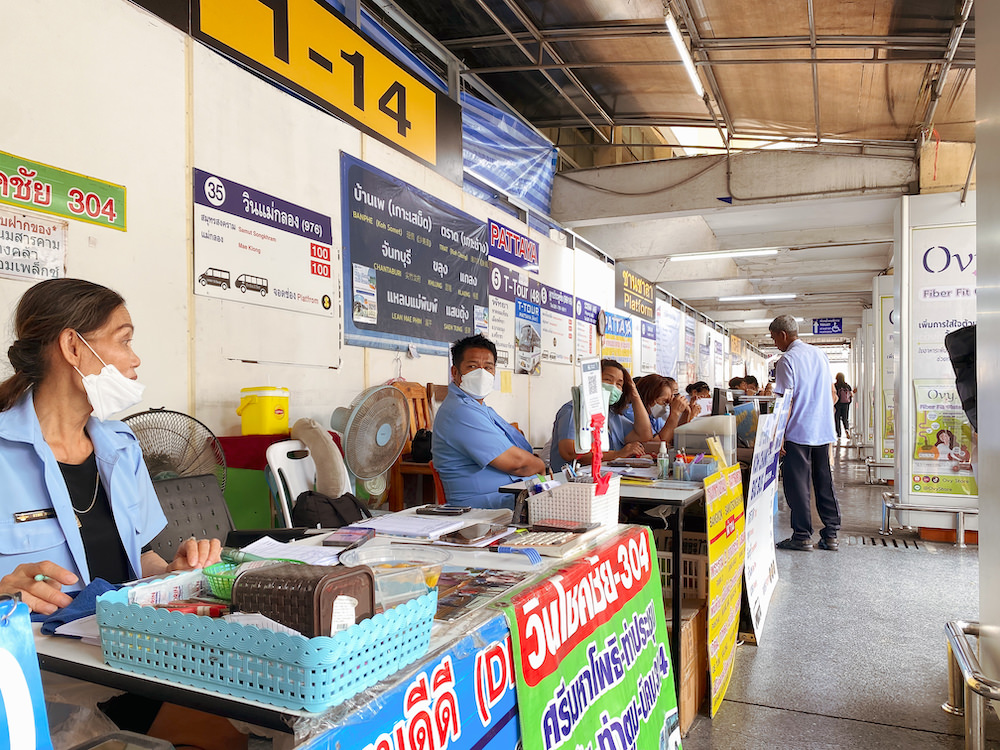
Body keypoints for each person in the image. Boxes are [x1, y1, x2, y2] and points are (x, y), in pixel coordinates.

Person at [0, 278, 236, 749]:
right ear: (73, 346)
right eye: (124, 340)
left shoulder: (122, 449)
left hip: (129, 661)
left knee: (229, 732)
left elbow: (140, 560)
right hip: (35, 687)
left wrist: (172, 571)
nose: (135, 358)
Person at [432, 334, 545, 509]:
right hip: (483, 507)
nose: (482, 373)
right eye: (472, 366)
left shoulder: (479, 408)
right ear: (455, 372)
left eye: (488, 367)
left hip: (509, 496)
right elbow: (517, 464)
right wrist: (539, 466)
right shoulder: (460, 411)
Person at [769, 315, 841, 551]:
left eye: (774, 338)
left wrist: (777, 437)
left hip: (798, 432)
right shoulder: (819, 354)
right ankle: (831, 534)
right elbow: (833, 393)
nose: (775, 343)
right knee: (824, 482)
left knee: (797, 484)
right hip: (823, 430)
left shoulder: (787, 360)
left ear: (782, 335)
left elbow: (785, 403)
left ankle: (802, 535)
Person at [549, 359, 654, 471]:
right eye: (608, 380)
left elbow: (645, 435)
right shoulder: (573, 410)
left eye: (619, 384)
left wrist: (634, 394)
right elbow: (569, 452)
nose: (613, 387)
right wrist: (618, 454)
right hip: (572, 481)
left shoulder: (612, 415)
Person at [628, 374, 691, 446]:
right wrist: (675, 413)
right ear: (649, 397)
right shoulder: (632, 412)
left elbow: (673, 439)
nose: (666, 405)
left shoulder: (654, 417)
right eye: (664, 401)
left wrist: (686, 413)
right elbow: (658, 445)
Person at [833, 372, 854, 440]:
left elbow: (833, 395)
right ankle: (847, 429)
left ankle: (839, 434)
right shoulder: (847, 385)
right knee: (845, 418)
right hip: (846, 404)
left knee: (837, 419)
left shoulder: (835, 385)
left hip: (837, 404)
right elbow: (851, 395)